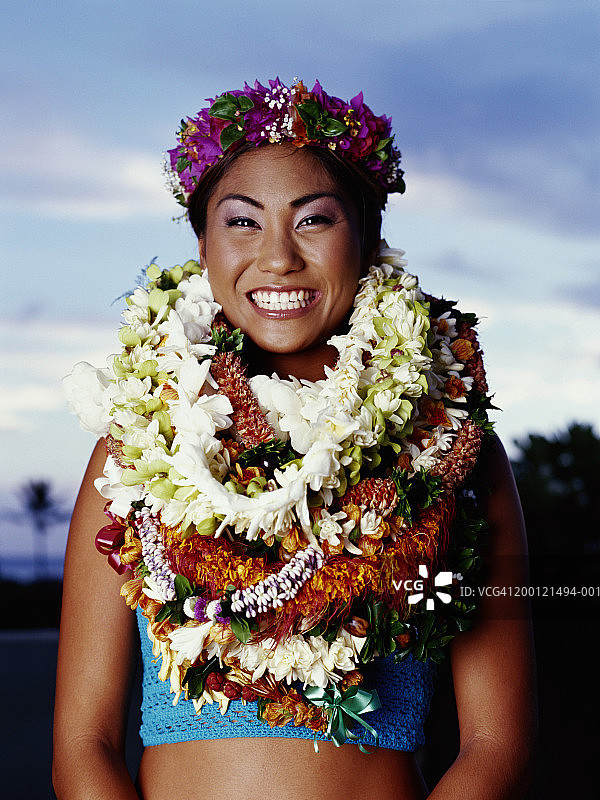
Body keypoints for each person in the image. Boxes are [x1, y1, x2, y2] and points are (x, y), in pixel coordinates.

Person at [54, 78, 537, 800]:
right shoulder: (132, 452)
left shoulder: (452, 454)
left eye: (313, 220)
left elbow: (497, 746)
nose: (277, 257)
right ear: (202, 244)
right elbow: (82, 749)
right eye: (242, 222)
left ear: (369, 237)